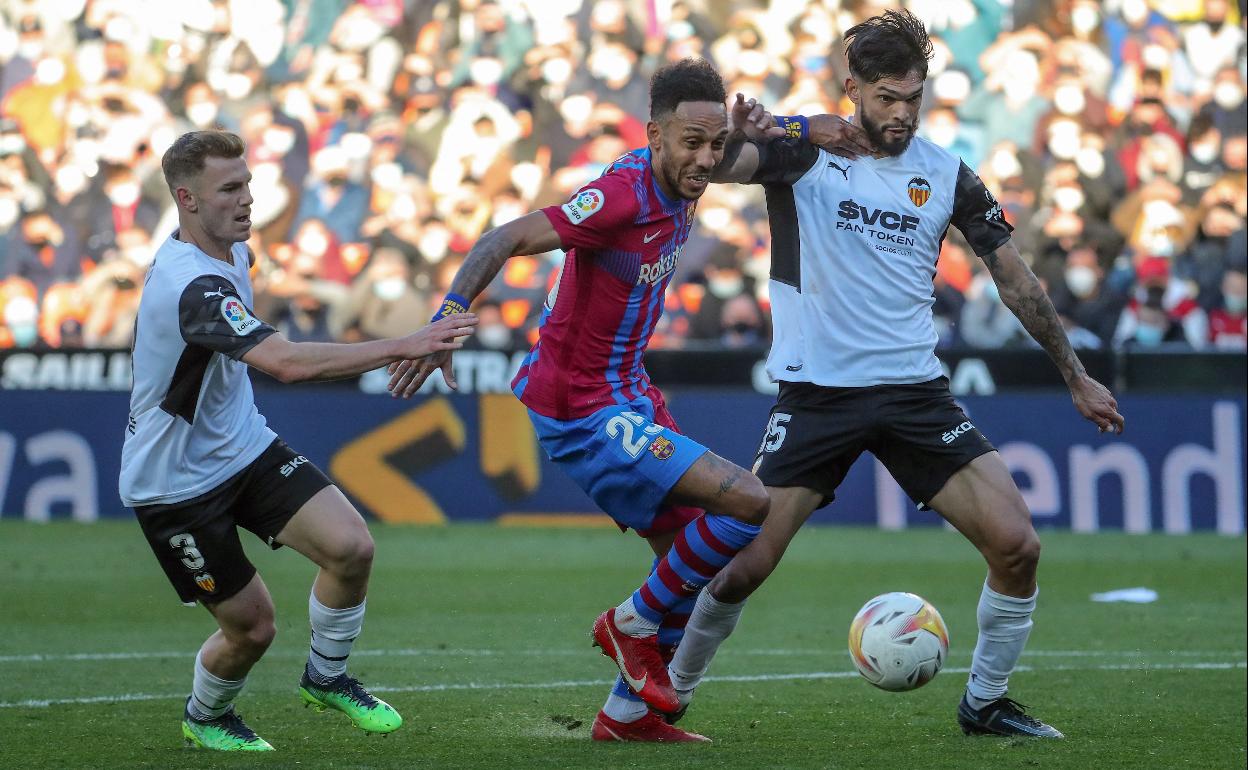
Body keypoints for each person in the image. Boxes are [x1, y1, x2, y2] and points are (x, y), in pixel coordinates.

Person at [668, 10, 1125, 740]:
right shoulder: (805, 155)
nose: (902, 113)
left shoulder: (945, 173)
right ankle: (668, 694)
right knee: (742, 569)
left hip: (915, 393)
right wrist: (774, 127)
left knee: (1018, 546)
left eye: (914, 97)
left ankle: (985, 703)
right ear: (854, 89)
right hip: (818, 393)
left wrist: (1074, 375)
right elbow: (708, 168)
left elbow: (1016, 280)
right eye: (886, 97)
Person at [387, 58, 863, 743]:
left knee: (692, 563)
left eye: (713, 145)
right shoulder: (619, 197)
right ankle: (629, 623)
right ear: (654, 136)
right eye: (691, 144)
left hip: (628, 394)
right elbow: (506, 237)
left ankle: (625, 717)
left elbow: (747, 134)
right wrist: (449, 314)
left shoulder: (694, 159)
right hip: (580, 405)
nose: (706, 159)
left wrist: (800, 123)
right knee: (749, 503)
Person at [119, 130, 477, 752]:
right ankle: (206, 717)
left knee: (351, 548)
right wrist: (403, 342)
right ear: (187, 199)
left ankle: (326, 677)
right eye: (229, 189)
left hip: (242, 447)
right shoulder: (192, 286)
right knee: (252, 630)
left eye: (248, 184)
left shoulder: (232, 253)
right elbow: (284, 363)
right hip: (174, 485)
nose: (247, 199)